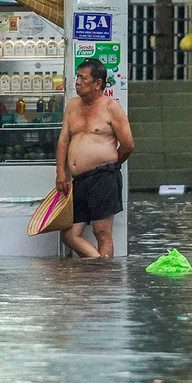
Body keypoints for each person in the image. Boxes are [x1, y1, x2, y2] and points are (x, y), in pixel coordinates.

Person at [55, 58, 133, 258]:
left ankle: (103, 278)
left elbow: (128, 144)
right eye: (77, 77)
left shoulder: (111, 107)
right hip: (79, 181)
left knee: (102, 232)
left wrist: (110, 165)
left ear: (98, 83)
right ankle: (98, 266)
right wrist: (61, 172)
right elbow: (63, 140)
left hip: (104, 177)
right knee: (69, 234)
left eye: (83, 78)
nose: (77, 82)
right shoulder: (73, 106)